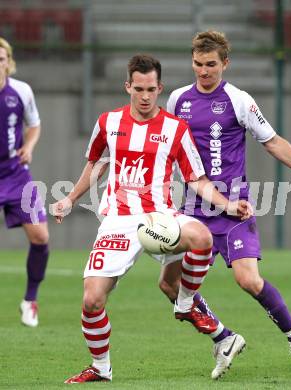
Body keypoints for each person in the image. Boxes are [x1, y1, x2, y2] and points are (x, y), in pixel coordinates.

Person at [52, 54, 252, 384]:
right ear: (128, 86)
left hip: (160, 217)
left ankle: (187, 304)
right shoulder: (108, 123)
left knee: (200, 239)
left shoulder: (176, 129)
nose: (145, 96)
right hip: (118, 219)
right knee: (92, 299)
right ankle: (101, 368)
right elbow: (97, 165)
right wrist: (70, 199)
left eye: (151, 89)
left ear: (160, 88)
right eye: (139, 89)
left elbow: (196, 179)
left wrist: (228, 205)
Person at [161, 30, 291, 380]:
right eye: (198, 64)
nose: (203, 71)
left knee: (248, 280)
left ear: (225, 63)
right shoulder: (177, 100)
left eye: (211, 64)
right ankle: (223, 337)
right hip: (193, 211)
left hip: (233, 210)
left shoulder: (239, 100)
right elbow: (170, 152)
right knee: (170, 285)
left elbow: (273, 143)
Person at [0, 37, 49, 327]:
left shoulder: (21, 91)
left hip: (16, 174)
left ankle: (30, 300)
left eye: (1, 58)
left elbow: (34, 124)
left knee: (41, 237)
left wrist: (28, 146)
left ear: (8, 62)